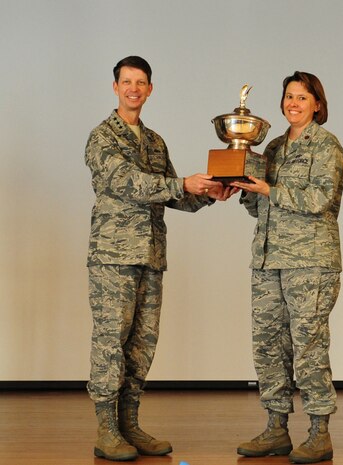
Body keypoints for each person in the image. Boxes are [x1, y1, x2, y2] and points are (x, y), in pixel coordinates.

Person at [85, 55, 236, 461]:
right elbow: (127, 182)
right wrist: (180, 182)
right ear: (115, 87)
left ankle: (129, 424)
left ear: (150, 90)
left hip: (151, 256)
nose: (134, 88)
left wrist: (206, 193)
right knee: (110, 343)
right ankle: (106, 430)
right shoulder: (103, 137)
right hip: (114, 257)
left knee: (141, 346)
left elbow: (170, 194)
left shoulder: (154, 141)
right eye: (126, 81)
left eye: (141, 83)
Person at [231, 71, 343, 464]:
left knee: (309, 347)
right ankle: (276, 427)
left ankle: (319, 432)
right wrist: (245, 187)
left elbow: (321, 198)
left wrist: (270, 190)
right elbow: (258, 207)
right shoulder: (275, 147)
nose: (293, 103)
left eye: (302, 97)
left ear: (317, 103)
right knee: (268, 345)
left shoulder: (327, 146)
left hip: (309, 263)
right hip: (267, 260)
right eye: (289, 97)